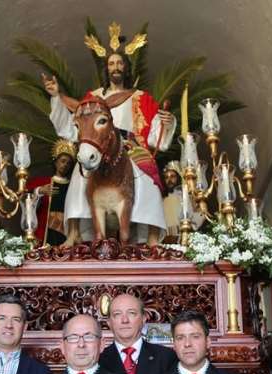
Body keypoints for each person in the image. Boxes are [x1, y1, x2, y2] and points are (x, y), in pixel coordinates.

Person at [43, 38, 176, 246]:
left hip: (131, 147)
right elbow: (72, 128)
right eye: (111, 63)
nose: (116, 67)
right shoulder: (93, 98)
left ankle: (150, 236)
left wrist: (167, 123)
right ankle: (75, 232)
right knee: (80, 173)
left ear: (126, 68)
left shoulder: (140, 97)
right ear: (106, 69)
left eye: (120, 63)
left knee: (149, 179)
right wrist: (55, 97)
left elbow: (155, 135)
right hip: (98, 146)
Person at [27, 139, 75, 246]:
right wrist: (39, 191)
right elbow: (26, 199)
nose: (65, 165)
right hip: (45, 230)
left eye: (68, 163)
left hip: (64, 230)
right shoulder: (43, 182)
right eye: (63, 161)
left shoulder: (73, 186)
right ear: (56, 162)